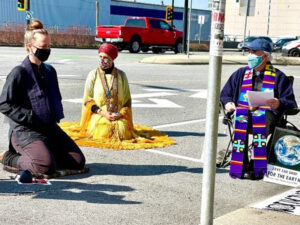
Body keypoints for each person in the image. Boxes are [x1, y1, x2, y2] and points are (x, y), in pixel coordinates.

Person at [0, 19, 85, 175]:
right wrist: (29, 117)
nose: (46, 50)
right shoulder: (19, 72)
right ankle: (9, 157)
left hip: (48, 127)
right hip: (25, 130)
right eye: (43, 47)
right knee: (44, 166)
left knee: (77, 161)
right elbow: (4, 103)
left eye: (48, 46)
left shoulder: (50, 71)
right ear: (30, 47)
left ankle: (44, 154)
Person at [60, 43, 174, 150]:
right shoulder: (93, 74)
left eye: (105, 58)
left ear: (112, 59)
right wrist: (103, 113)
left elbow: (127, 102)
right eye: (100, 57)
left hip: (118, 115)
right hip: (99, 115)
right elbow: (87, 101)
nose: (102, 61)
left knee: (122, 131)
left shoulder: (121, 75)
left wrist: (119, 114)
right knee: (103, 129)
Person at [220, 38, 297, 180]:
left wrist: (278, 103)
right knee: (241, 117)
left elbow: (291, 102)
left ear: (265, 56)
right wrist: (228, 103)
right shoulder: (240, 73)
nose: (250, 55)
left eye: (254, 52)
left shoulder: (279, 77)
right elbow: (225, 94)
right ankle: (241, 164)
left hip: (267, 118)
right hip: (243, 115)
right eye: (249, 52)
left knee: (260, 118)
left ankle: (257, 165)